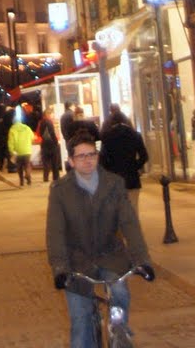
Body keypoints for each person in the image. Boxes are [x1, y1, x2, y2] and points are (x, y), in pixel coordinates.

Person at [47, 134, 155, 348]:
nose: (87, 160)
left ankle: (119, 329)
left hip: (110, 255)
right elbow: (55, 233)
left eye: (91, 155)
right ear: (71, 161)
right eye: (81, 157)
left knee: (119, 292)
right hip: (77, 260)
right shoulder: (61, 191)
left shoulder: (114, 184)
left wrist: (143, 260)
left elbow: (129, 224)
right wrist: (60, 268)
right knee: (80, 322)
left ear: (98, 156)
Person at [99, 110, 149, 213]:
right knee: (133, 210)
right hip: (132, 178)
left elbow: (102, 159)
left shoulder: (106, 136)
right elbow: (144, 156)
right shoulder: (135, 135)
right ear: (125, 120)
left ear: (112, 122)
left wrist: (109, 170)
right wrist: (135, 166)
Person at [7, 109, 34, 186]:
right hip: (27, 150)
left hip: (17, 151)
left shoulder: (12, 129)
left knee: (19, 167)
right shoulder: (27, 128)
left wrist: (11, 150)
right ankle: (28, 176)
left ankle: (21, 181)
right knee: (27, 165)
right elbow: (32, 137)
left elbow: (10, 142)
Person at [37, 107, 61, 182]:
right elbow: (52, 133)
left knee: (46, 162)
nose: (52, 116)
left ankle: (46, 177)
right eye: (51, 114)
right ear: (47, 114)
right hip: (51, 144)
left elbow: (39, 133)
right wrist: (56, 142)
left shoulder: (41, 122)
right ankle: (56, 177)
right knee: (54, 162)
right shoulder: (49, 122)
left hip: (44, 144)